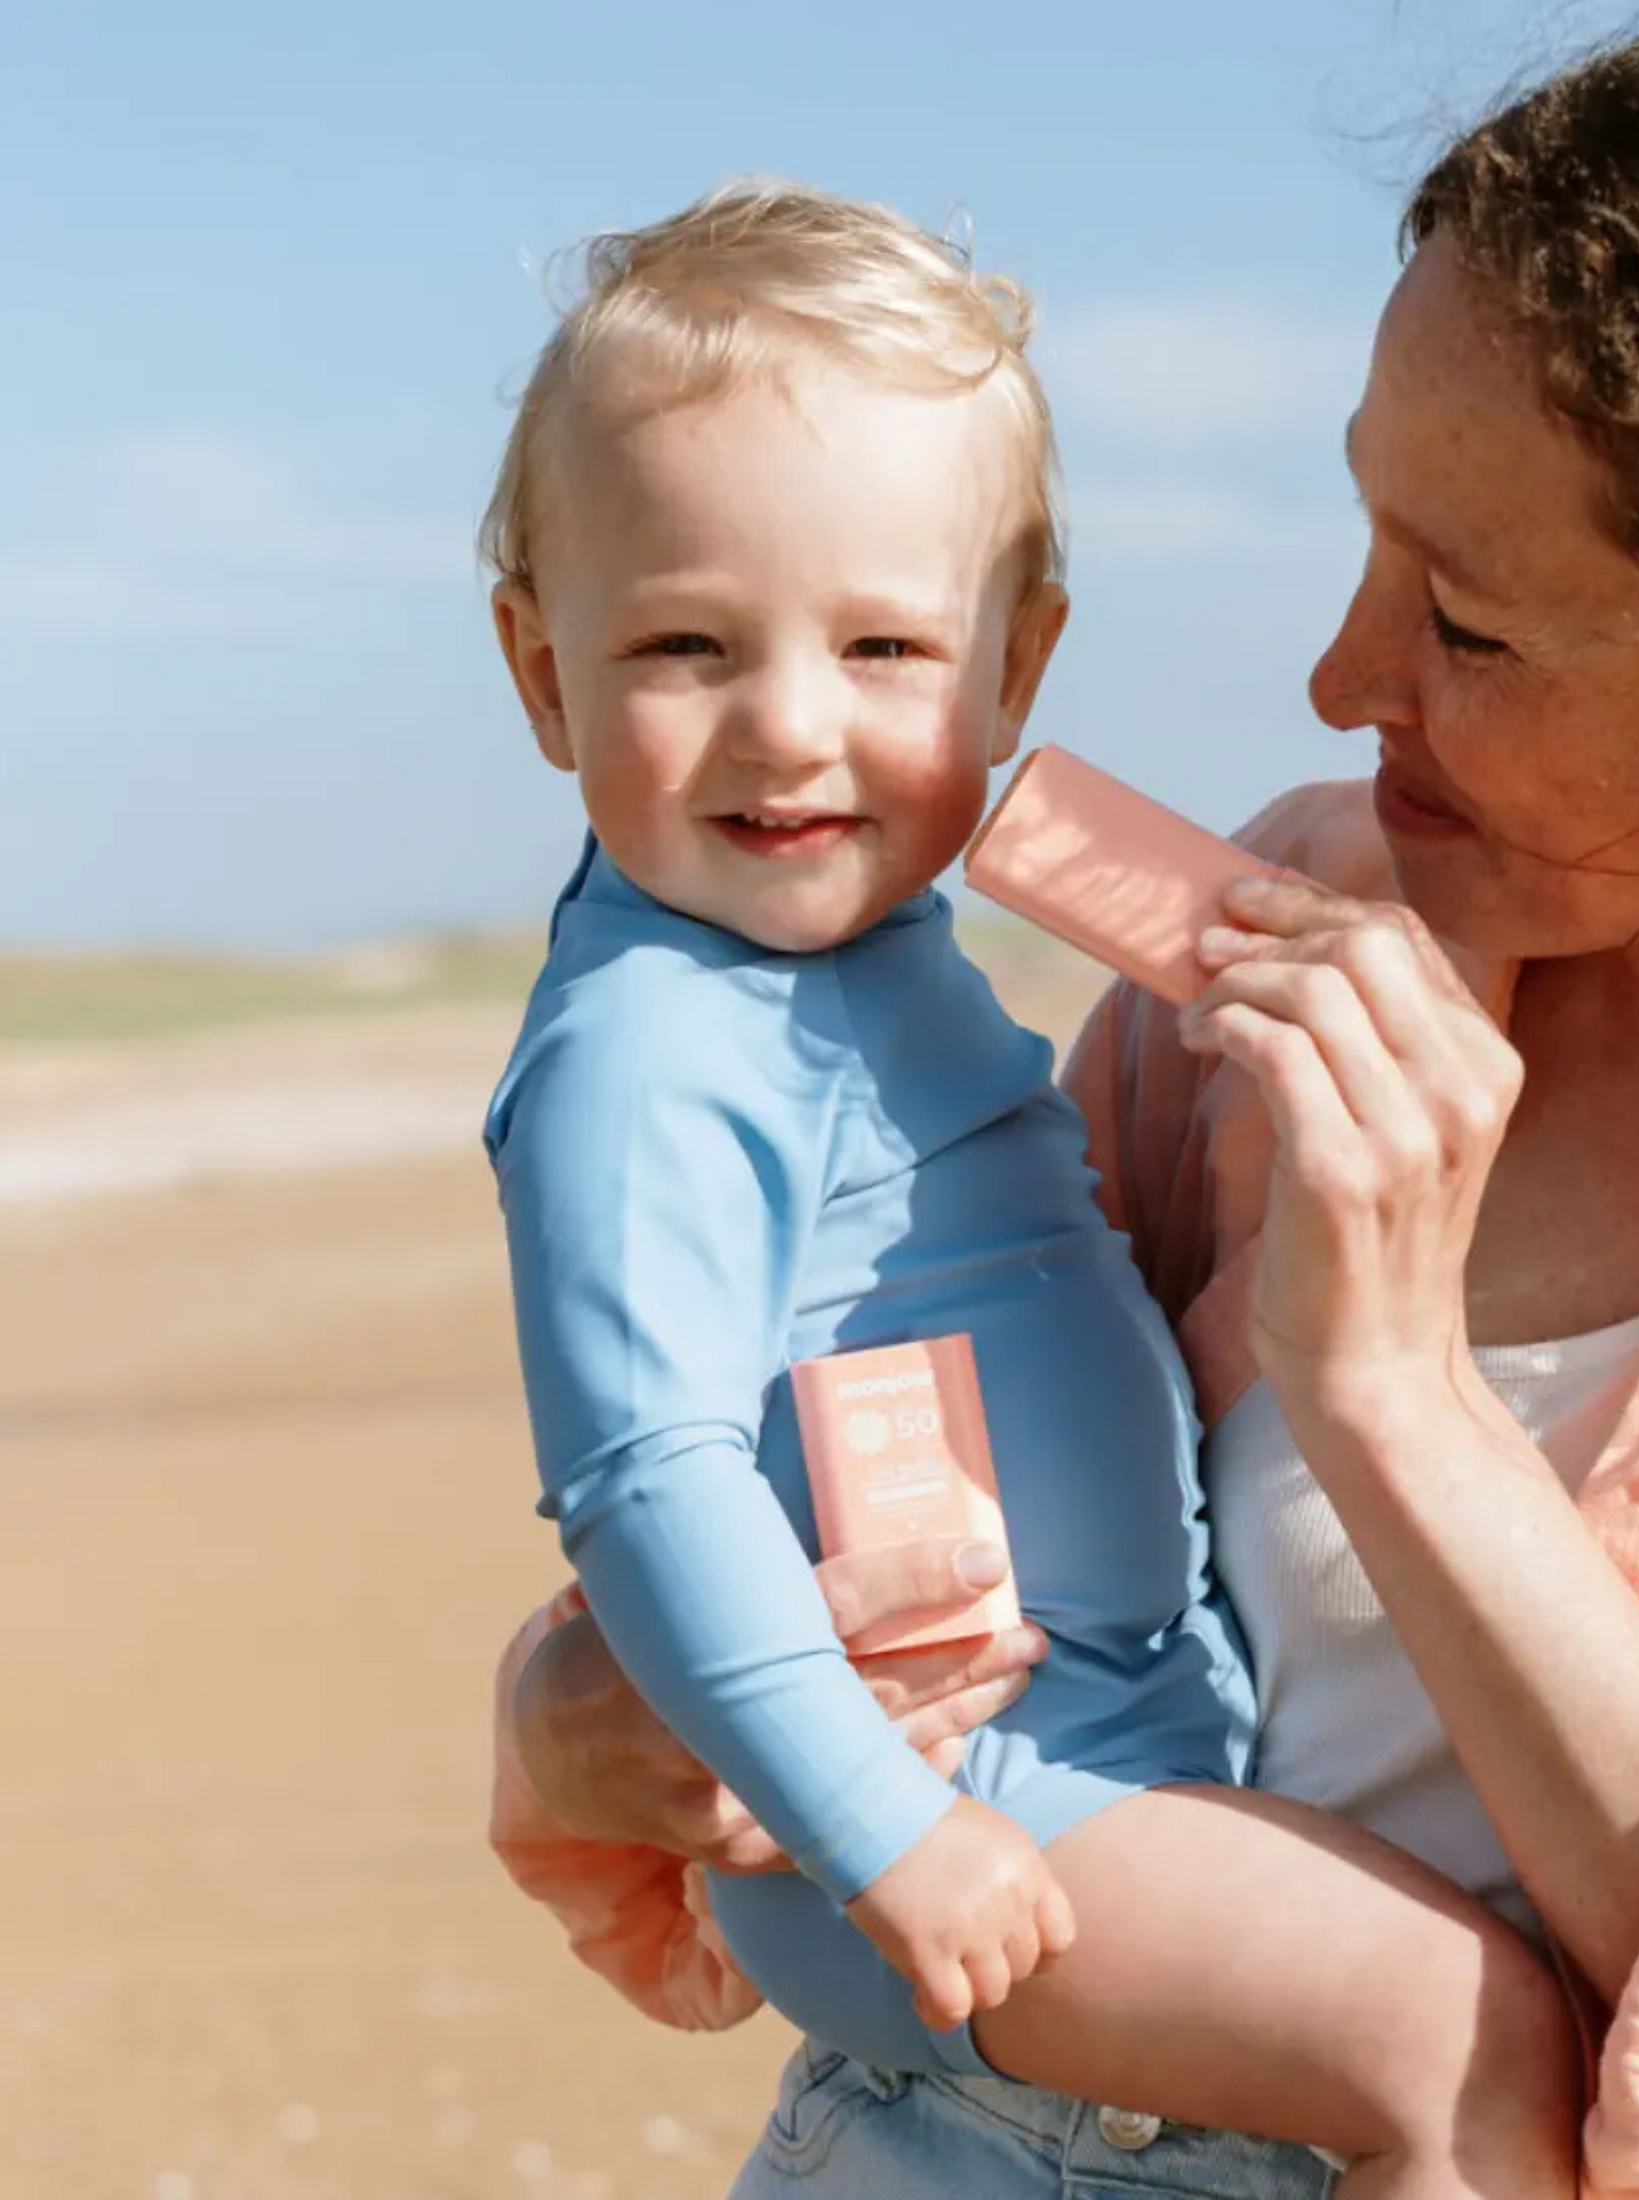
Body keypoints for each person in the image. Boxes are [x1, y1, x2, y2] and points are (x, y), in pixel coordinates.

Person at [487, 14, 1639, 2197]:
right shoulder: (1285, 928)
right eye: (1368, 534)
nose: (1332, 673)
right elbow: (830, 1447)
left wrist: (1391, 1389)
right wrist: (574, 1713)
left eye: (1465, 623)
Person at [478, 178, 1580, 2198]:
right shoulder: (653, 1046)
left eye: (885, 643)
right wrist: (877, 1828)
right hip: (958, 1791)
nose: (791, 724)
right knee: (1467, 2041)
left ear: (1018, 667)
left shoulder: (849, 958)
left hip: (1087, 1752)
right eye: (681, 644)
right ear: (544, 676)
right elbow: (646, 1476)